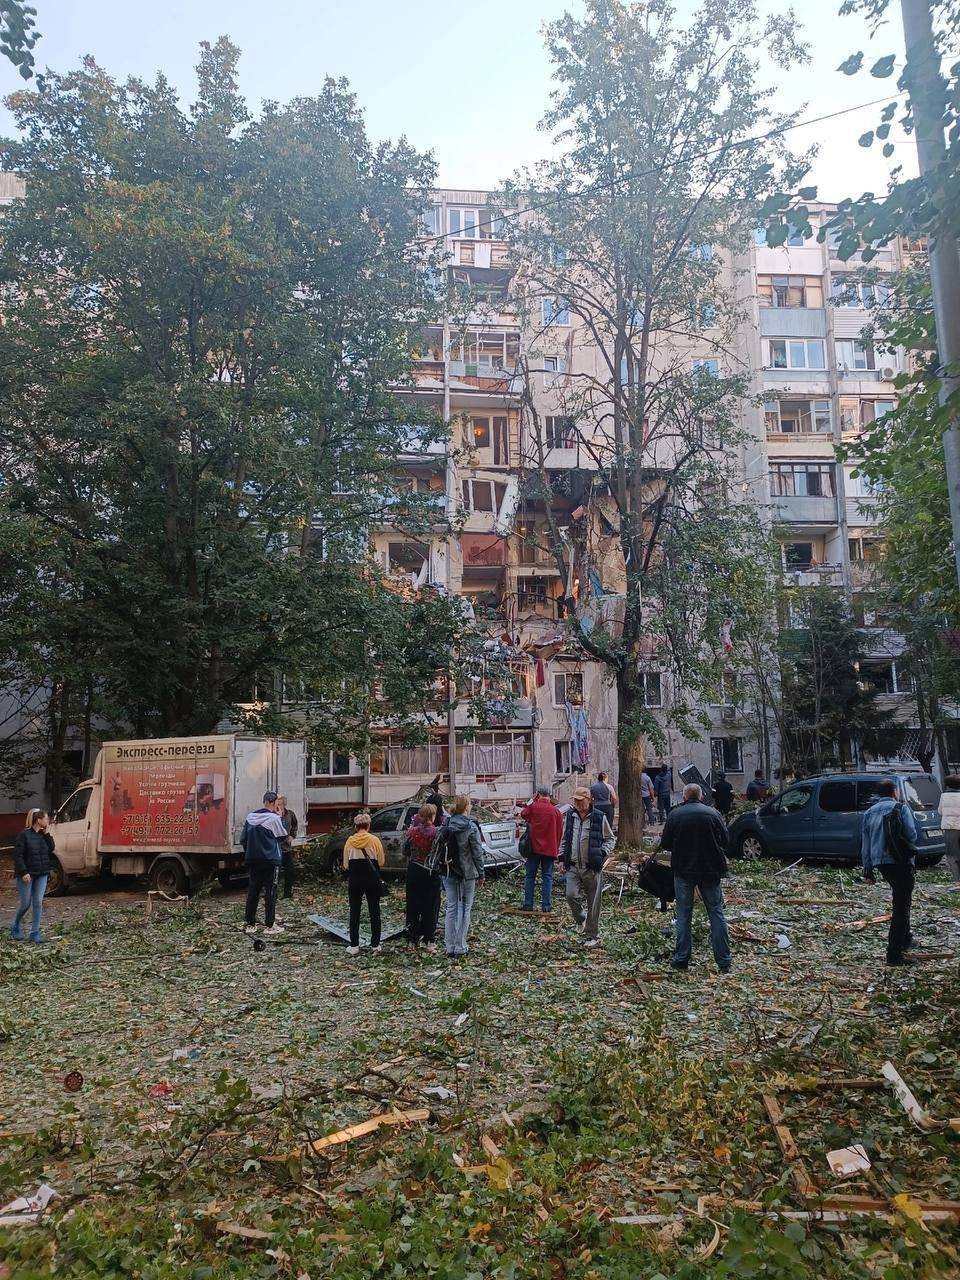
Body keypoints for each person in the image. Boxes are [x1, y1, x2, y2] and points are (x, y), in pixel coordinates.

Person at [658, 783, 732, 973]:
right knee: (716, 912)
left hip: (683, 870)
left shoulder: (675, 815)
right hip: (710, 870)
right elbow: (725, 840)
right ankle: (724, 961)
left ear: (684, 797)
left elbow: (666, 843)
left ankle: (681, 959)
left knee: (683, 914)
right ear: (700, 796)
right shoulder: (713, 814)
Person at [862, 778, 920, 966]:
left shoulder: (869, 813)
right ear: (895, 791)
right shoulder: (900, 808)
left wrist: (868, 869)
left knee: (901, 899)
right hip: (900, 860)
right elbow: (912, 834)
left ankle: (906, 938)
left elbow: (866, 843)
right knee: (901, 907)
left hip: (881, 863)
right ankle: (894, 954)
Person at [560, 786, 615, 949]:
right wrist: (562, 858)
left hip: (592, 867)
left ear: (589, 800)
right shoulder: (570, 816)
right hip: (573, 866)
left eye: (579, 800)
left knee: (594, 903)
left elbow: (610, 839)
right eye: (575, 800)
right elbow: (565, 839)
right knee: (570, 895)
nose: (576, 803)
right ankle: (580, 918)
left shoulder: (599, 817)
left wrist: (602, 852)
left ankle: (593, 935)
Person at [442, 796, 486, 958]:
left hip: (448, 871)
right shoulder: (470, 826)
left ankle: (449, 946)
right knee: (465, 908)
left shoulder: (447, 823)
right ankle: (460, 946)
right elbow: (477, 853)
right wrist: (481, 873)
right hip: (467, 873)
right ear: (466, 807)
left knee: (451, 907)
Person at [241, 791, 288, 936]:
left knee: (253, 891)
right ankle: (270, 925)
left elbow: (243, 839)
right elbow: (283, 834)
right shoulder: (274, 818)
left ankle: (250, 923)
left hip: (253, 859)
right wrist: (280, 816)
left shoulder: (250, 818)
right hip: (271, 860)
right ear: (274, 804)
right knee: (270, 892)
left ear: (264, 802)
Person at [342, 811, 386, 956]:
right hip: (372, 879)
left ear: (356, 826)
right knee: (374, 911)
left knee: (354, 911)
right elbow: (381, 862)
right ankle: (375, 944)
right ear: (368, 825)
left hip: (355, 879)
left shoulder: (349, 841)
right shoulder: (374, 840)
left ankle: (354, 945)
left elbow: (345, 865)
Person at [10, 809, 54, 943]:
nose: (48, 821)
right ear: (38, 820)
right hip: (27, 875)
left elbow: (51, 848)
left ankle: (34, 932)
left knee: (38, 902)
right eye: (46, 818)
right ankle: (15, 925)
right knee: (25, 903)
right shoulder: (23, 835)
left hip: (42, 874)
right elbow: (17, 855)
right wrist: (23, 872)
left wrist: (47, 834)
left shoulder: (43, 835)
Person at [519, 787, 563, 912]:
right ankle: (546, 906)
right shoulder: (556, 811)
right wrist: (557, 847)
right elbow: (560, 831)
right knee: (547, 877)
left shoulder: (533, 807)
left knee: (530, 876)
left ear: (538, 795)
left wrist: (531, 801)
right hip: (549, 849)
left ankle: (528, 905)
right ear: (550, 795)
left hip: (533, 848)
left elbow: (523, 814)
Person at [404, 802, 441, 949]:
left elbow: (404, 850)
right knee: (431, 906)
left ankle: (412, 939)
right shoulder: (437, 833)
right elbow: (440, 853)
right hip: (431, 872)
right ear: (433, 816)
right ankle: (429, 940)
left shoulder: (411, 832)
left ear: (420, 816)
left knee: (413, 904)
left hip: (414, 870)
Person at [277, 795, 299, 900]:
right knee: (276, 872)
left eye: (280, 804)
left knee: (290, 872)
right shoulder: (274, 815)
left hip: (286, 848)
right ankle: (273, 894)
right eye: (277, 804)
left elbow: (295, 825)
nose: (278, 806)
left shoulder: (290, 814)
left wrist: (292, 835)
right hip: (276, 849)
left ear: (284, 804)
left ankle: (287, 893)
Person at [939, 775, 960, 883]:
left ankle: (957, 880)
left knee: (952, 855)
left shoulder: (944, 796)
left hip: (950, 827)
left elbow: (940, 811)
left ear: (947, 785)